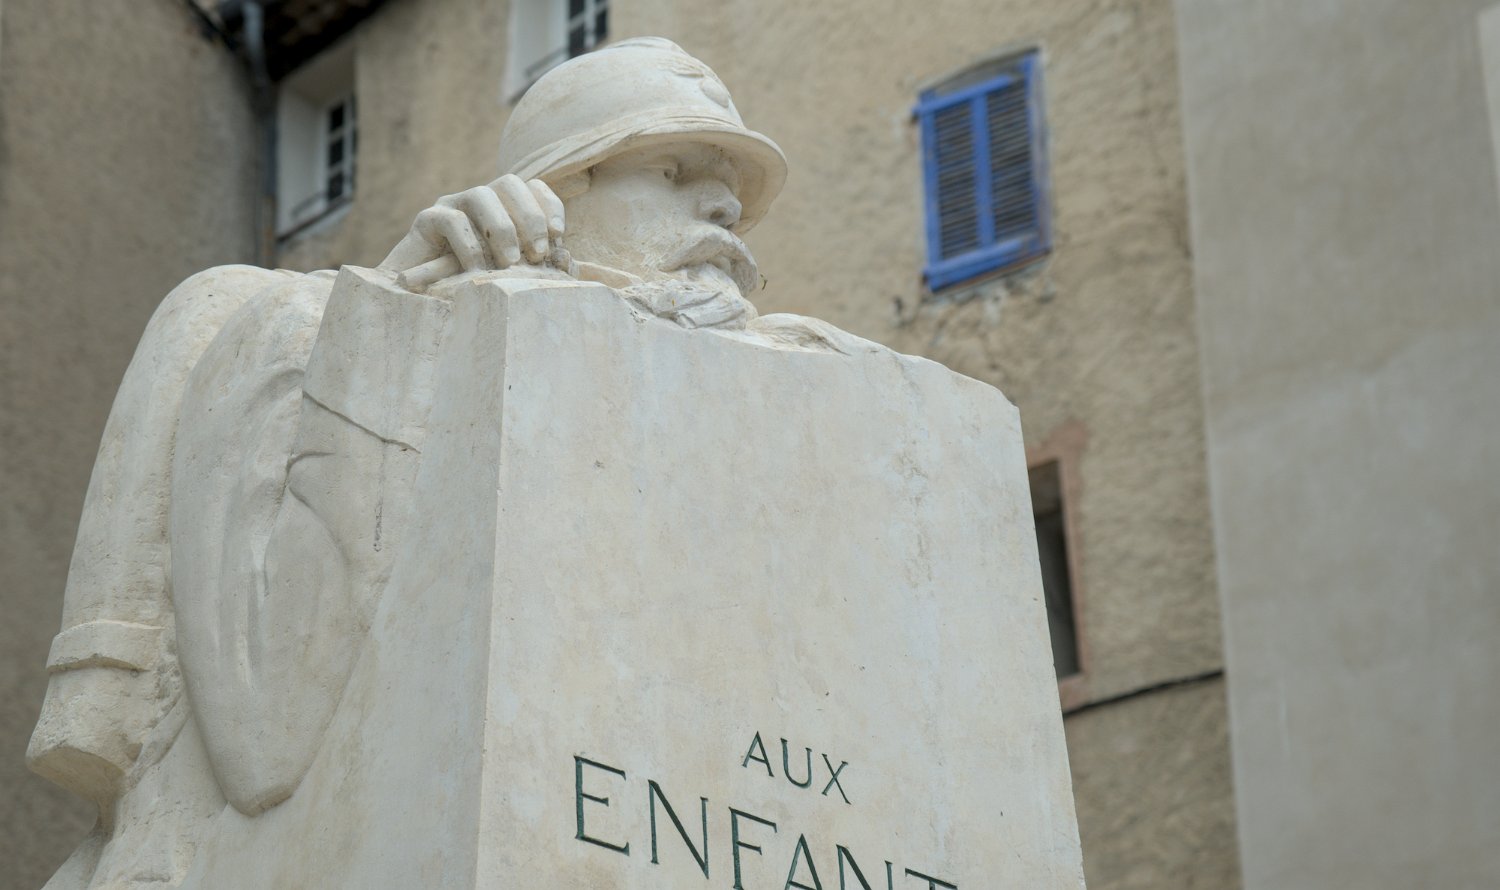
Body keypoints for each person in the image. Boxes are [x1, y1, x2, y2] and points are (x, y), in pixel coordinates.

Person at [28, 36, 809, 890]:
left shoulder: (783, 392)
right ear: (555, 193)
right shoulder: (309, 330)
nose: (723, 207)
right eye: (672, 170)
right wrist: (392, 327)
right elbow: (263, 741)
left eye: (730, 188)